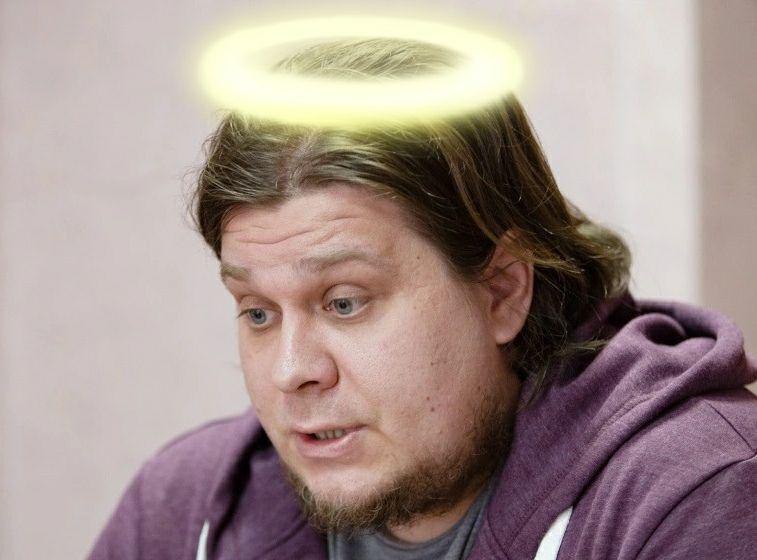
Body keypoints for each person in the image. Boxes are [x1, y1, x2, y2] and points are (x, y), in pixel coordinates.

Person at [88, 37, 757, 560]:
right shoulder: (187, 509)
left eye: (344, 303)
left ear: (501, 292)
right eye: (258, 312)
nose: (292, 371)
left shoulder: (699, 495)